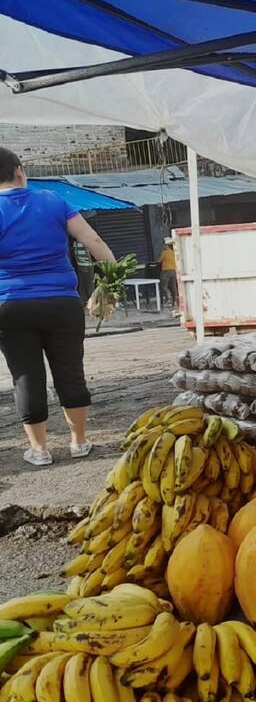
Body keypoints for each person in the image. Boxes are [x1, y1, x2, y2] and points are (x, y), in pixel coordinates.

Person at [0, 147, 115, 466]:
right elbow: (93, 242)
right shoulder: (53, 200)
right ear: (19, 170)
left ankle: (39, 451)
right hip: (61, 302)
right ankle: (79, 442)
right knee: (70, 371)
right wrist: (113, 281)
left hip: (10, 305)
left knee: (26, 376)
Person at [160, 239, 177, 307]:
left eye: (163, 245)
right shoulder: (173, 251)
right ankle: (174, 301)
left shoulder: (164, 252)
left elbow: (159, 261)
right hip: (173, 270)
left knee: (164, 286)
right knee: (173, 286)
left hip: (166, 271)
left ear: (165, 245)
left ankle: (168, 297)